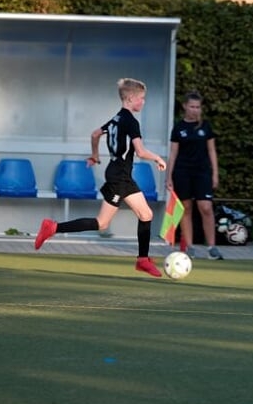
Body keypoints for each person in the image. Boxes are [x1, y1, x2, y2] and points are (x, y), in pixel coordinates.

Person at [34, 78, 167, 278]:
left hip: (120, 174)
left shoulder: (116, 119)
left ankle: (142, 260)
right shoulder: (131, 121)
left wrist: (95, 156)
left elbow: (95, 134)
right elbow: (140, 151)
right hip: (119, 177)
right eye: (141, 98)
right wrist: (157, 158)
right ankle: (52, 227)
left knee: (146, 214)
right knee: (102, 223)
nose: (143, 102)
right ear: (130, 98)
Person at [165, 91, 223, 260]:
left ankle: (212, 247)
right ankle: (190, 247)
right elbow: (173, 154)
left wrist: (215, 174)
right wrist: (169, 177)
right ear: (185, 106)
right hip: (182, 172)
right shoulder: (178, 128)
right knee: (186, 208)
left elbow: (212, 151)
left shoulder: (205, 127)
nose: (195, 110)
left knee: (206, 207)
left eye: (198, 107)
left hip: (202, 172)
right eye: (192, 106)